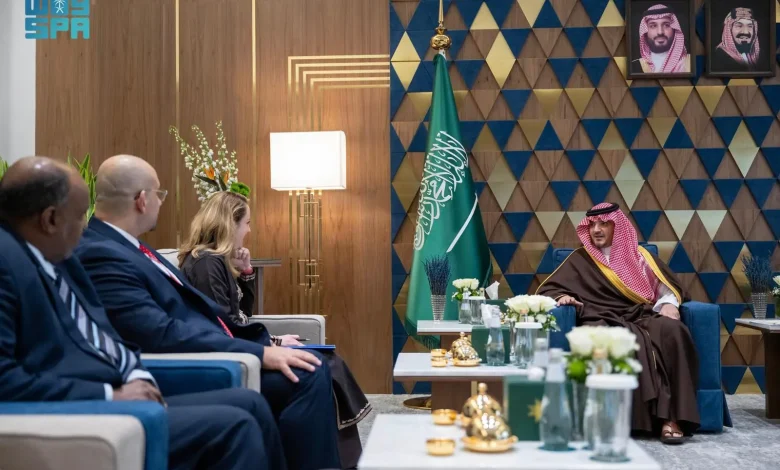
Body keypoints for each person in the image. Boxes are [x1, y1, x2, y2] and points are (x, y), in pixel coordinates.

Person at [0, 156, 286, 470]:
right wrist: (109, 394)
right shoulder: (7, 263)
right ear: (50, 219)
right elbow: (6, 378)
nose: (86, 228)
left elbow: (101, 334)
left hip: (121, 384)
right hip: (82, 404)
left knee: (250, 403)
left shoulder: (60, 259)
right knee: (235, 427)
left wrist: (135, 373)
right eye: (81, 216)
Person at [74, 155, 341, 470]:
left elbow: (206, 315)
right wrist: (259, 353)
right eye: (160, 194)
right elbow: (159, 332)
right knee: (309, 374)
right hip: (191, 364)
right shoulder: (102, 253)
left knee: (315, 364)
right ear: (143, 200)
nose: (161, 202)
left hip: (213, 351)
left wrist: (263, 344)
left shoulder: (133, 248)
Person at [179, 191, 372, 469]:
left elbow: (243, 316)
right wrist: (274, 342)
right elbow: (226, 328)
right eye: (246, 223)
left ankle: (342, 461)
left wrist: (245, 272)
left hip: (242, 349)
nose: (249, 230)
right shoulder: (206, 263)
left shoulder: (214, 261)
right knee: (320, 363)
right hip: (232, 359)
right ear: (230, 224)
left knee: (329, 360)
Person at [537, 202, 699, 445]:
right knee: (601, 336)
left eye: (604, 224)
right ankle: (609, 421)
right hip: (600, 317)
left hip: (642, 315)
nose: (596, 230)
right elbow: (550, 288)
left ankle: (672, 419)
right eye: (592, 225)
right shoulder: (580, 259)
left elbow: (667, 288)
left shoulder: (641, 257)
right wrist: (562, 297)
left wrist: (669, 304)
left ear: (618, 227)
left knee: (673, 331)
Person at [631, 4, 690, 74]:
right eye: (653, 26)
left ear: (674, 29)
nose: (660, 32)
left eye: (666, 25)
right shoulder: (634, 67)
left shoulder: (690, 63)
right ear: (645, 31)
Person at [713, 7, 761, 73]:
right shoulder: (720, 56)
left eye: (750, 26)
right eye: (739, 26)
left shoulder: (756, 55)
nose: (745, 32)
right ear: (729, 29)